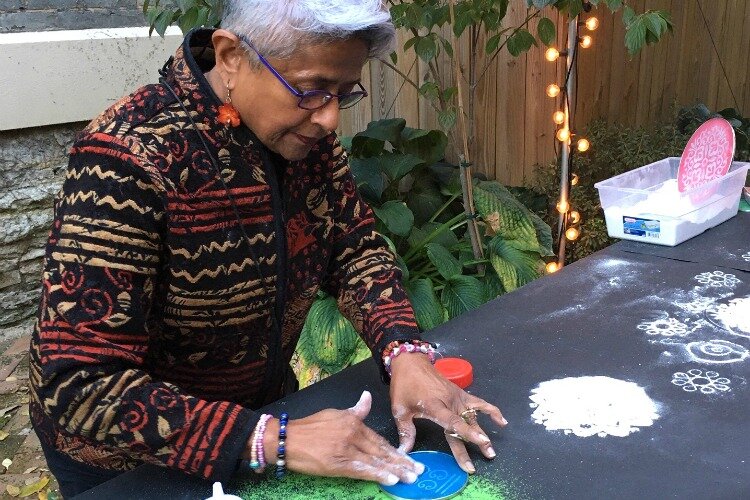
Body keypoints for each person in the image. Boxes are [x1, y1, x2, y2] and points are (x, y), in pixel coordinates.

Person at [29, 1, 507, 496]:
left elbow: (355, 250)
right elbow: (77, 380)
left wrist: (403, 351)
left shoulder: (308, 142)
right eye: (311, 90)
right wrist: (265, 439)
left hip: (265, 418)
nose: (329, 118)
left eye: (345, 93)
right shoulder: (125, 156)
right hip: (128, 462)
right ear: (231, 56)